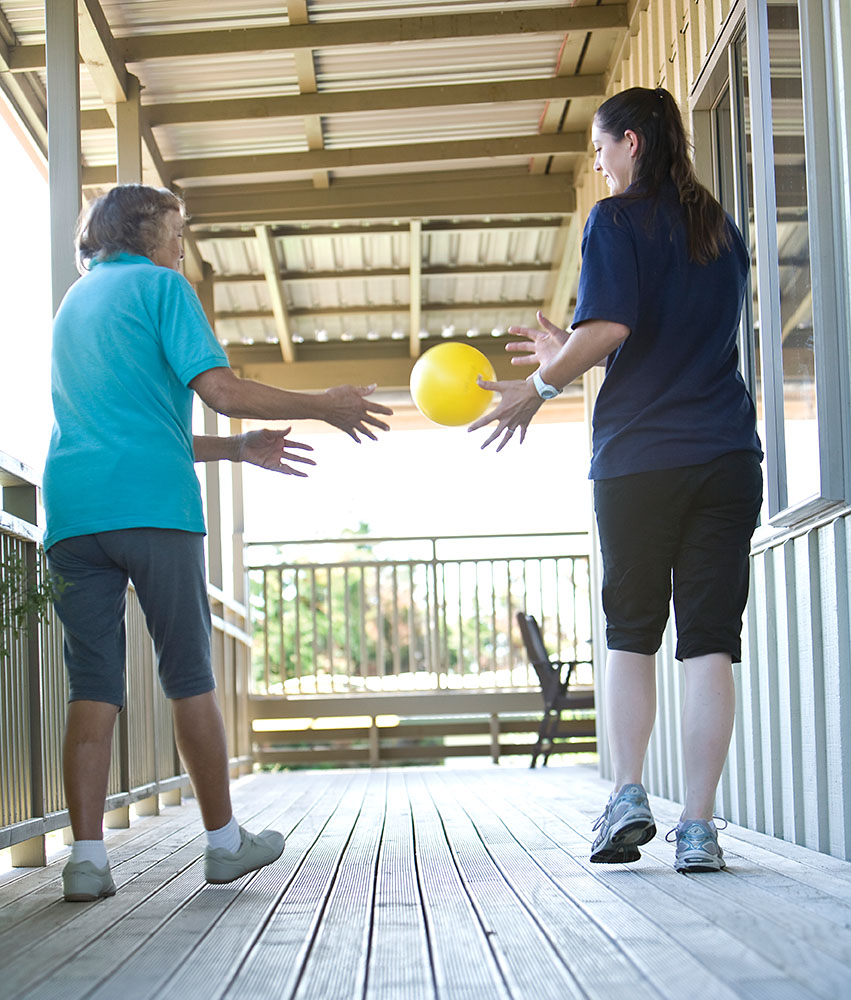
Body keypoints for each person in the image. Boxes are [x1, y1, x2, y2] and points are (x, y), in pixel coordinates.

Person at [44, 184, 393, 902]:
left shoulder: (74, 305)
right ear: (146, 232)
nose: (182, 245)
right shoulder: (162, 288)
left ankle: (84, 859)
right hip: (153, 510)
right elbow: (223, 389)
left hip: (74, 513)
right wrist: (323, 406)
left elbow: (134, 426)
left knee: (93, 684)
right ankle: (224, 843)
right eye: (177, 230)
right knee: (189, 673)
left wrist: (235, 453)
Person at [470, 87, 762, 873]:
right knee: (709, 644)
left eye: (600, 151)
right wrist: (569, 344)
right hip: (727, 455)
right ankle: (697, 826)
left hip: (640, 459)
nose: (597, 167)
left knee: (633, 633)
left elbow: (614, 329)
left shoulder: (616, 219)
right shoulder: (719, 230)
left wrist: (537, 389)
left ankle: (628, 794)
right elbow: (660, 339)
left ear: (630, 143)